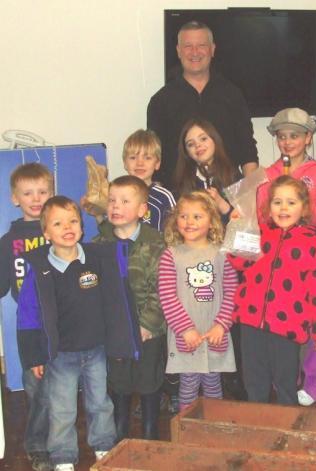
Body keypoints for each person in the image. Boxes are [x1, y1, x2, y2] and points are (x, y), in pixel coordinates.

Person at [16, 196, 131, 471]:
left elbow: (115, 301)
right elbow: (28, 316)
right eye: (58, 223)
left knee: (100, 404)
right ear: (46, 233)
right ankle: (63, 456)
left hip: (96, 351)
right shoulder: (40, 270)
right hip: (61, 356)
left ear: (81, 225)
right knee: (62, 409)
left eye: (73, 221)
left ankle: (104, 447)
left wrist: (119, 341)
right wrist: (35, 357)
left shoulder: (97, 259)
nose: (67, 227)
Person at [229, 175, 316, 405]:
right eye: (277, 202)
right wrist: (238, 228)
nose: (283, 208)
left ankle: (287, 430)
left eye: (291, 202)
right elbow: (239, 262)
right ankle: (259, 427)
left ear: (304, 208)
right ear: (269, 206)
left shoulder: (314, 241)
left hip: (287, 324)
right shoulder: (260, 231)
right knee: (254, 381)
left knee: (286, 382)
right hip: (250, 319)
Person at [255, 107, 316, 406]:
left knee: (313, 314)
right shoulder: (268, 174)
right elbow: (263, 217)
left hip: (310, 256)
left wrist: (300, 207)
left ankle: (314, 381)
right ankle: (285, 378)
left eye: (295, 136)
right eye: (282, 136)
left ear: (309, 137)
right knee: (281, 318)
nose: (288, 142)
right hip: (278, 259)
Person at [93, 176, 166, 441]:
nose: (115, 206)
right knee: (119, 380)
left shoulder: (156, 243)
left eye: (125, 201)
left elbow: (163, 289)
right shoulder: (98, 245)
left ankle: (150, 429)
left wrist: (147, 325)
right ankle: (120, 429)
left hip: (149, 329)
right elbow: (94, 290)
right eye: (112, 200)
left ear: (142, 210)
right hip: (115, 330)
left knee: (149, 379)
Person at [147, 20, 258, 191]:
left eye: (201, 45)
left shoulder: (233, 95)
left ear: (212, 49)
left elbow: (247, 149)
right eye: (188, 46)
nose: (195, 52)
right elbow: (153, 157)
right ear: (178, 51)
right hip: (180, 200)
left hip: (229, 198)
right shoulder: (160, 101)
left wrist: (251, 196)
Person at [158, 191, 238, 409]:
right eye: (183, 216)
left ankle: (212, 430)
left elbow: (232, 292)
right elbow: (167, 296)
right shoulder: (171, 255)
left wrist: (221, 325)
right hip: (187, 334)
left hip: (214, 332)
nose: (189, 222)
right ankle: (187, 431)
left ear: (212, 222)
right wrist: (185, 329)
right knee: (188, 386)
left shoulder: (222, 254)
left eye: (197, 216)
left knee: (213, 385)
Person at [0, 163, 53, 471]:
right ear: (14, 198)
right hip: (31, 322)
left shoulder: (59, 230)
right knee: (35, 387)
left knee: (62, 384)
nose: (36, 198)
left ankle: (60, 441)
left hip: (64, 319)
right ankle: (36, 445)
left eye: (43, 192)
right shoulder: (9, 241)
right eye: (28, 193)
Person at [173, 118, 241, 215]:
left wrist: (221, 203)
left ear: (215, 140)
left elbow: (244, 222)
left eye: (203, 139)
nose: (198, 145)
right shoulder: (183, 183)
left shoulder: (233, 176)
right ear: (186, 152)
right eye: (191, 144)